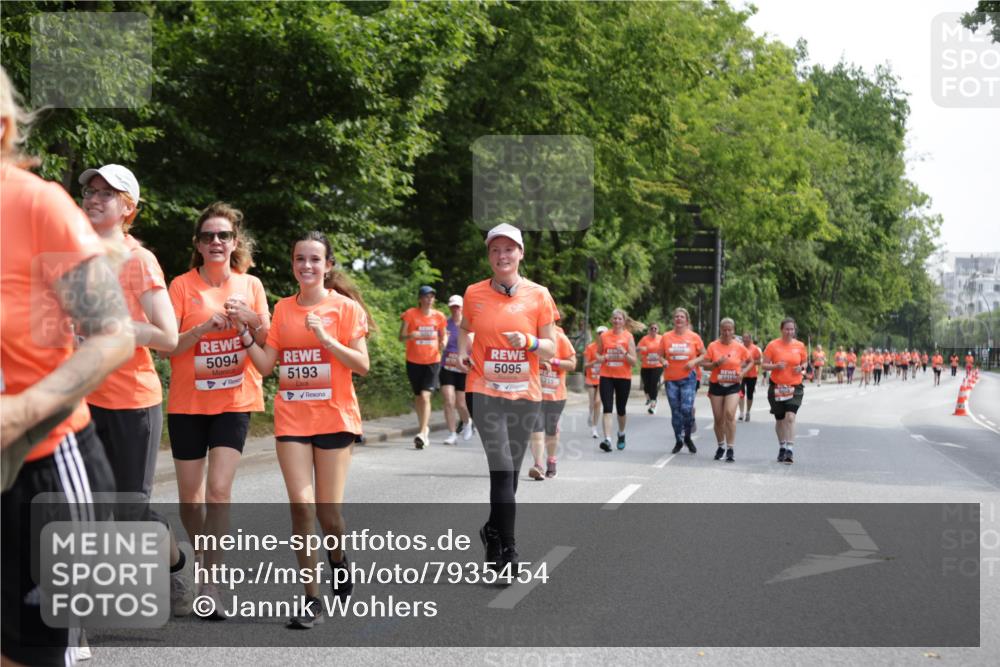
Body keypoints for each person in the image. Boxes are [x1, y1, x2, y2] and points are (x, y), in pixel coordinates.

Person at [2, 66, 135, 667]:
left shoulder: (36, 206)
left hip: (44, 468)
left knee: (33, 655)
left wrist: (21, 411)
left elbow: (112, 335)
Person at [78, 164, 195, 617]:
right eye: (91, 190)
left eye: (109, 193)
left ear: (129, 208)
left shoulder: (139, 260)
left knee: (127, 516)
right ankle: (73, 622)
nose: (95, 197)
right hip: (80, 401)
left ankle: (177, 566)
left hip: (131, 402)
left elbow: (167, 337)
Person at [243, 231, 372, 628]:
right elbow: (267, 366)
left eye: (315, 259)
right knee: (302, 507)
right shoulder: (282, 309)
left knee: (329, 515)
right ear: (293, 264)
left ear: (328, 266)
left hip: (334, 418)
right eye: (300, 259)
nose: (307, 266)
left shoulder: (345, 309)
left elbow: (362, 365)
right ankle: (311, 599)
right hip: (293, 418)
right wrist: (246, 335)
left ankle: (338, 558)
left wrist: (326, 338)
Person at [166, 201, 270, 619]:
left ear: (234, 242)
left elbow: (269, 339)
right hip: (189, 403)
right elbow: (168, 345)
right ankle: (204, 558)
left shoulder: (252, 286)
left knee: (218, 492)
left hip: (234, 400)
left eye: (223, 235)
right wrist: (204, 328)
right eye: (208, 236)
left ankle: (210, 582)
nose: (215, 242)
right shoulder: (181, 286)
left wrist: (249, 318)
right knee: (190, 503)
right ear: (198, 243)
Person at [457, 223, 557, 578]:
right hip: (483, 390)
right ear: (489, 256)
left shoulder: (539, 295)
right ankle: (511, 550)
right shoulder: (473, 293)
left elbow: (551, 347)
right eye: (495, 250)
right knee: (501, 467)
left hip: (524, 394)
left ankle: (492, 532)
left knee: (510, 473)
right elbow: (465, 331)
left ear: (520, 253)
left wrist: (528, 343)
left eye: (509, 249)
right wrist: (464, 352)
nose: (502, 256)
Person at [399, 286, 447, 449]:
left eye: (432, 297)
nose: (429, 299)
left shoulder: (439, 316)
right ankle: (424, 428)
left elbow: (443, 334)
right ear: (420, 299)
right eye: (426, 297)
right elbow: (401, 337)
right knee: (418, 397)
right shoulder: (410, 314)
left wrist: (444, 341)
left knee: (426, 396)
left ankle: (422, 433)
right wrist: (410, 335)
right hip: (413, 361)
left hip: (432, 361)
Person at [528, 324, 576, 480]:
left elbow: (572, 364)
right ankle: (538, 465)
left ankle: (551, 460)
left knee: (551, 429)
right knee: (536, 427)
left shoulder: (560, 338)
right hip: (535, 393)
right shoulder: (532, 337)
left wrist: (553, 362)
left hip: (556, 394)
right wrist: (539, 363)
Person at [703, 319, 753, 462]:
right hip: (716, 385)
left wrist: (743, 373)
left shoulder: (739, 347)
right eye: (724, 329)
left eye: (729, 330)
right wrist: (716, 363)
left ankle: (730, 448)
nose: (726, 332)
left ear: (733, 331)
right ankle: (720, 446)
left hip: (733, 385)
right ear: (720, 330)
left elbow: (751, 361)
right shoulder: (713, 346)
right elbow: (705, 365)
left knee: (730, 414)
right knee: (718, 419)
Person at [659, 307, 705, 454]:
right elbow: (659, 355)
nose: (679, 319)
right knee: (676, 412)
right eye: (676, 317)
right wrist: (663, 361)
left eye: (682, 317)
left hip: (688, 378)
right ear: (674, 320)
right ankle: (679, 439)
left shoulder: (694, 337)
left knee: (686, 409)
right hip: (671, 379)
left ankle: (688, 437)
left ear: (686, 320)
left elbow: (704, 354)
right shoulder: (666, 337)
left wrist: (694, 362)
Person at [762, 318, 808, 465]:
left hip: (795, 387)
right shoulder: (772, 345)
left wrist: (801, 368)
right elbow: (763, 365)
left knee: (790, 417)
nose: (789, 332)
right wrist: (775, 366)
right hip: (777, 387)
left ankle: (790, 449)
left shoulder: (800, 345)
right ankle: (782, 446)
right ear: (781, 330)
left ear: (794, 331)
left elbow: (805, 362)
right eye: (787, 329)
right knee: (780, 419)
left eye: (792, 329)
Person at [597, 309, 640, 452]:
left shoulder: (628, 337)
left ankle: (621, 433)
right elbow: (598, 354)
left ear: (624, 321)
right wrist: (601, 358)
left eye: (619, 319)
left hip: (623, 377)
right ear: (611, 320)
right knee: (607, 407)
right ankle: (607, 439)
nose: (616, 321)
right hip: (606, 376)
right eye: (614, 318)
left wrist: (624, 353)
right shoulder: (604, 336)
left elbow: (633, 362)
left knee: (621, 409)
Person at [440, 295, 474, 444]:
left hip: (463, 368)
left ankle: (467, 422)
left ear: (462, 308)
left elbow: (475, 346)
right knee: (448, 400)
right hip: (447, 366)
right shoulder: (445, 324)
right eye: (452, 306)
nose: (455, 309)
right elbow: (440, 344)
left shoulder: (469, 326)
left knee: (461, 403)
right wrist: (442, 342)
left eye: (458, 307)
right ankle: (452, 433)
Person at [584, 327, 606, 439]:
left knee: (598, 402)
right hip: (591, 378)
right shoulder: (590, 347)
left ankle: (594, 427)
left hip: (603, 379)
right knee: (592, 403)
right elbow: (585, 365)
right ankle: (591, 413)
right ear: (597, 335)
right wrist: (595, 362)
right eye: (600, 334)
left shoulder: (608, 348)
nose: (601, 335)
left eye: (604, 334)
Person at [637, 323, 663, 415]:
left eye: (655, 328)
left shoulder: (661, 339)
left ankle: (653, 404)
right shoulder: (644, 339)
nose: (654, 330)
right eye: (652, 328)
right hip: (646, 366)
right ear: (649, 330)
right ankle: (648, 398)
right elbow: (637, 349)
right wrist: (640, 349)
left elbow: (666, 350)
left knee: (653, 383)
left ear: (658, 330)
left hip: (657, 365)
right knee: (646, 385)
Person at [738, 332, 762, 421]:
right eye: (744, 338)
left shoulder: (755, 349)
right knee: (740, 393)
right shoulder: (739, 347)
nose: (745, 339)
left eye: (747, 338)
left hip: (752, 374)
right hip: (741, 374)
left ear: (750, 339)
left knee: (749, 394)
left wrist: (749, 362)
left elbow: (759, 361)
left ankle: (748, 412)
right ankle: (741, 413)